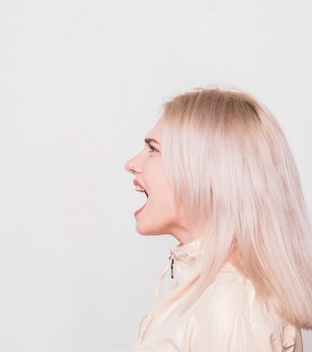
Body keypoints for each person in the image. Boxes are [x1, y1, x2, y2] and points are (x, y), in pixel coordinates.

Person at [125, 87, 312, 351]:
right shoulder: (205, 292)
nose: (131, 163)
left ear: (204, 171)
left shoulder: (233, 304)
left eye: (153, 149)